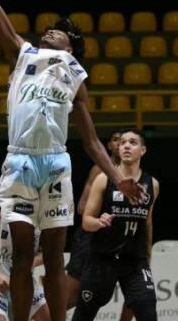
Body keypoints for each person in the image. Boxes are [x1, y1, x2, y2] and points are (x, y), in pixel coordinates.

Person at [0, 0, 144, 321]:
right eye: (48, 28)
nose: (49, 30)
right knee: (23, 257)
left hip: (57, 163)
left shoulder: (76, 76)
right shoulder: (23, 53)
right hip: (20, 162)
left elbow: (92, 140)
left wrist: (117, 179)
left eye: (58, 30)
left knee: (55, 259)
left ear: (72, 46)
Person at [72, 130, 158, 321]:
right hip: (102, 258)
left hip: (134, 261)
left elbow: (148, 223)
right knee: (83, 315)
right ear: (117, 149)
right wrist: (99, 222)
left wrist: (148, 257)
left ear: (143, 150)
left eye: (133, 142)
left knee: (148, 312)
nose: (126, 146)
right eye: (123, 143)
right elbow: (86, 221)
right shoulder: (103, 179)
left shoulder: (152, 183)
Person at [66, 130, 123, 310]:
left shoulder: (140, 177)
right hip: (90, 237)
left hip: (117, 240)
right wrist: (104, 217)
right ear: (109, 146)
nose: (121, 143)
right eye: (116, 140)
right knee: (72, 297)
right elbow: (83, 208)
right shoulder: (99, 170)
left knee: (98, 296)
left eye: (126, 140)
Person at [0, 196, 50, 321]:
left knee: (48, 317)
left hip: (24, 278)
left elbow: (51, 252)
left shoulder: (45, 209)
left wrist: (30, 263)